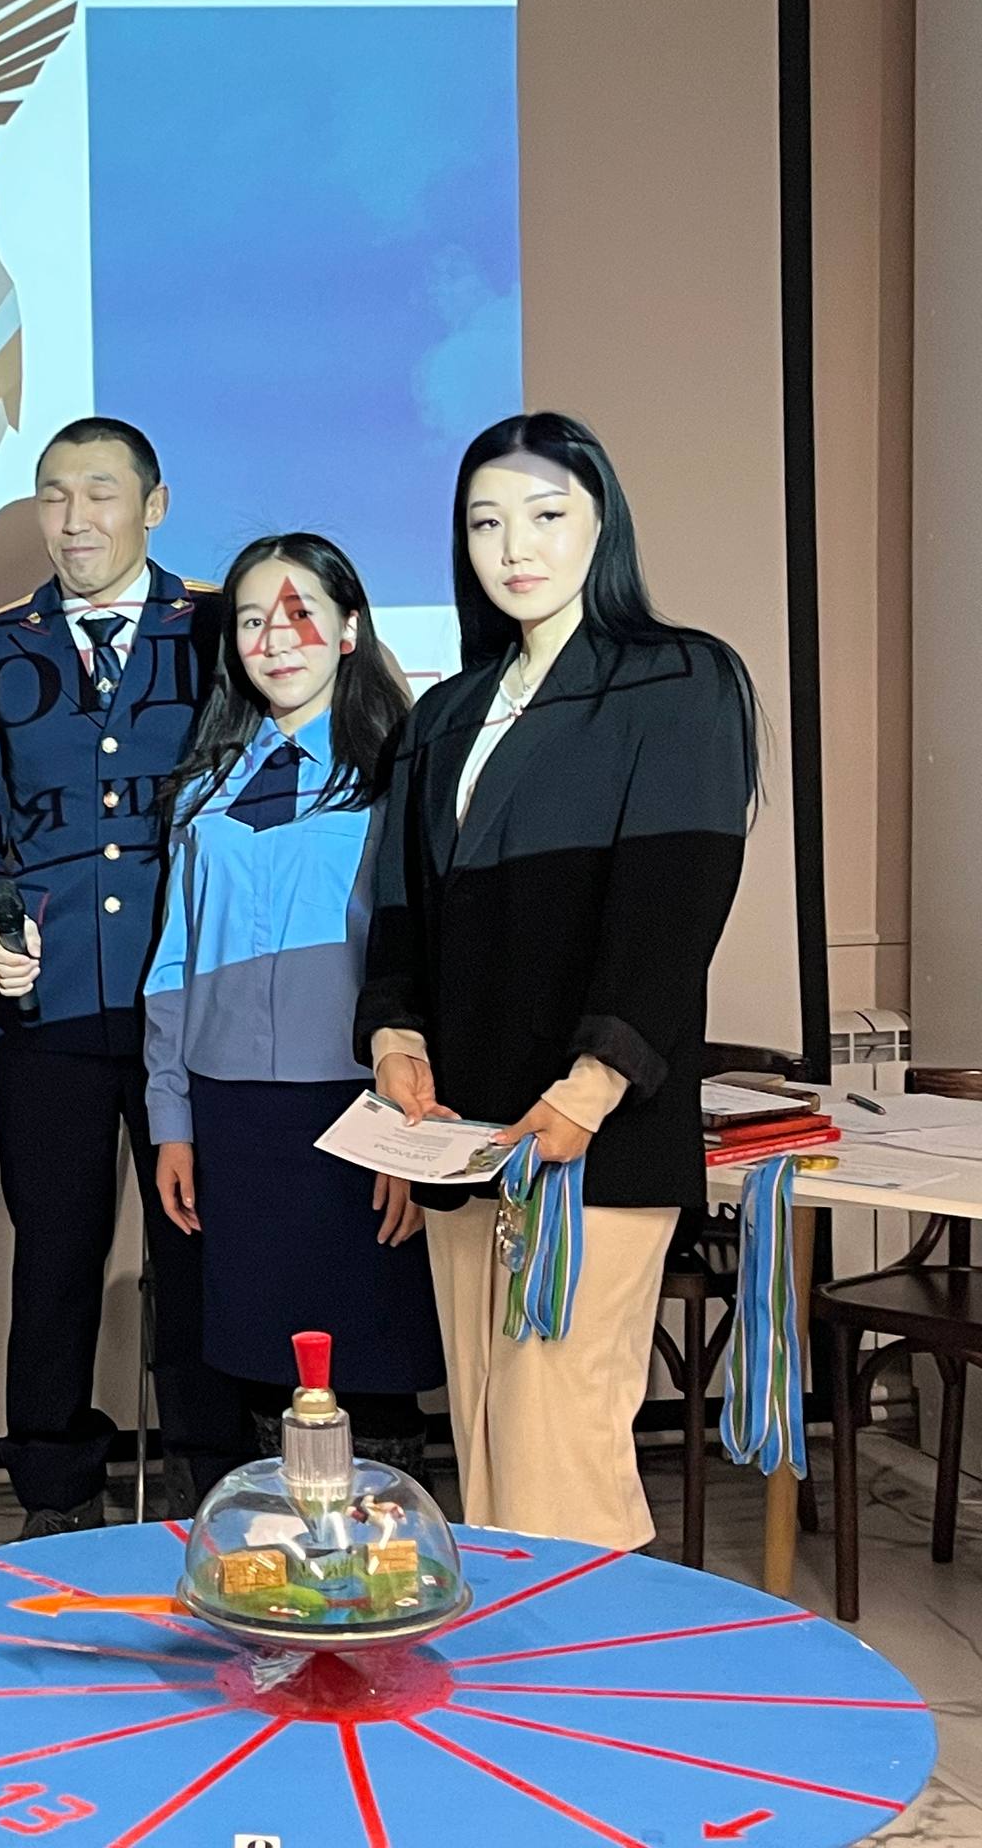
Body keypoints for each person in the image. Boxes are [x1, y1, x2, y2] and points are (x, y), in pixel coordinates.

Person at [358, 412, 756, 1550]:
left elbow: (673, 912)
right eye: (485, 523)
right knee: (487, 1443)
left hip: (591, 1136)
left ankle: (586, 1660)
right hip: (462, 1134)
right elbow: (401, 910)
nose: (514, 546)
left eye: (544, 514)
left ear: (601, 523)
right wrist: (395, 1043)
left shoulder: (678, 678)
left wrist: (591, 1086)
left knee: (559, 1447)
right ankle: (507, 1657)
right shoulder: (443, 716)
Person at [0, 415, 248, 1532]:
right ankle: (55, 1490)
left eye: (101, 493)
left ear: (153, 507)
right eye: (54, 496)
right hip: (53, 998)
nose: (74, 520)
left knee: (201, 1249)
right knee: (56, 1255)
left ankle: (216, 1476)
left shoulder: (216, 631)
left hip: (192, 1004)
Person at [143, 533, 440, 1475]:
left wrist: (414, 1142)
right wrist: (171, 1119)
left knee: (372, 1361)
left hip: (357, 1106)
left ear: (349, 629)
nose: (274, 639)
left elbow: (426, 959)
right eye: (250, 621)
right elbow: (173, 961)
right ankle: (283, 1547)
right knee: (261, 1363)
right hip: (232, 1113)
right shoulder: (203, 785)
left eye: (300, 613)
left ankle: (383, 1551)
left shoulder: (398, 774)